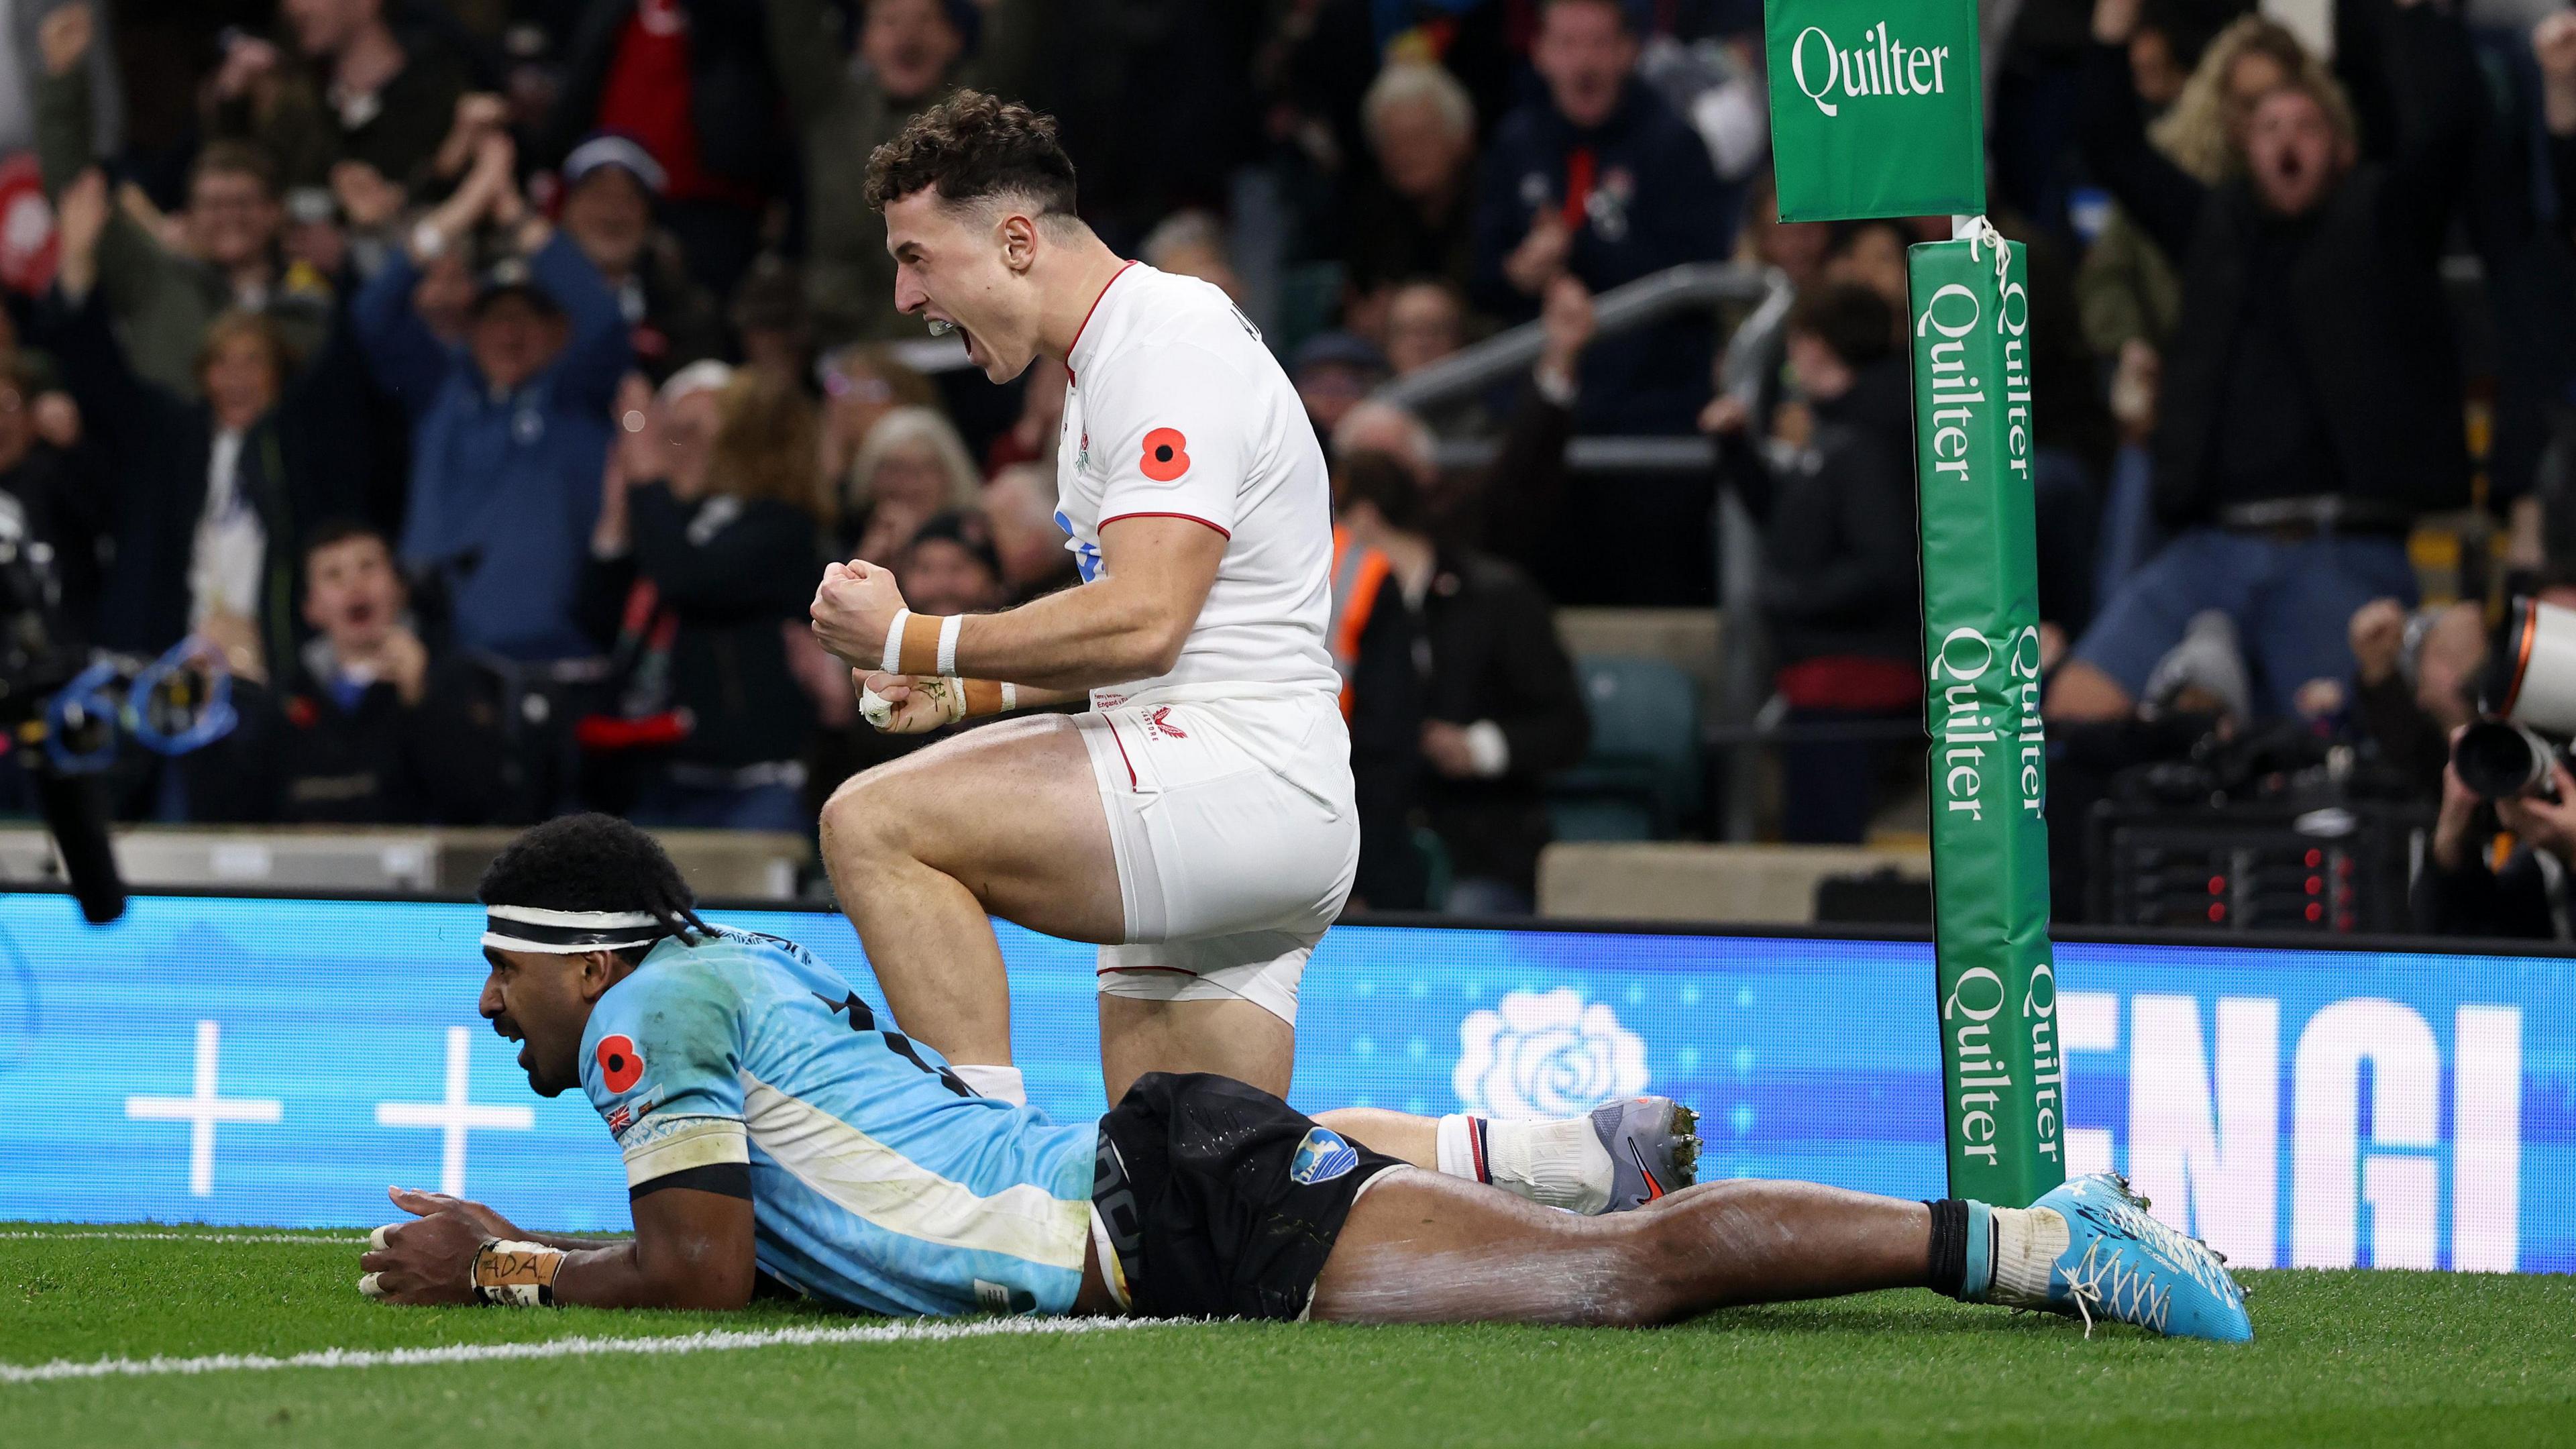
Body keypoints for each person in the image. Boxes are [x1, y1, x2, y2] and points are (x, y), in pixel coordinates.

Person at [352, 812, 2250, 1349]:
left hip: (1160, 1212)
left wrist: (503, 1265)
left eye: (504, 963)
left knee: (1622, 1279)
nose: (494, 1005)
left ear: (587, 949)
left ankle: (2032, 1241)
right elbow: (766, 1246)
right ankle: (1560, 1150)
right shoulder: (722, 972)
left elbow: (695, 1271)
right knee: (1604, 1249)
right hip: (1154, 1181)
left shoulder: (637, 1019)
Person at [2053, 0, 2475, 723]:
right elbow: (2110, 142)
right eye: (2268, 127)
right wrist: (2113, 27)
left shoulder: (2383, 226)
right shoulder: (2216, 230)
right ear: (2242, 146)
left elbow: (2448, 132)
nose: (2288, 141)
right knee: (2077, 703)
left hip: (2339, 550)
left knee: (2333, 732)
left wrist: (2411, 17)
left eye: (2308, 127)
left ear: (2341, 147)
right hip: (2215, 547)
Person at [41, 169, 370, 682]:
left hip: (276, 669)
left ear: (279, 374)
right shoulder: (171, 437)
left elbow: (346, 368)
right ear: (202, 376)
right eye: (222, 363)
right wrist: (78, 265)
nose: (235, 378)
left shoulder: (301, 444)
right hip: (171, 669)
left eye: (252, 362)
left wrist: (350, 266)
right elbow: (100, 374)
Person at [352, 133, 631, 664]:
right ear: (471, 329)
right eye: (496, 318)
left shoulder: (576, 396)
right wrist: (466, 206)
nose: (509, 334)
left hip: (550, 655)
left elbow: (602, 325)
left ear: (556, 332)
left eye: (528, 319)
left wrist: (511, 213)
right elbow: (373, 315)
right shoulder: (440, 386)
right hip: (436, 656)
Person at [1706, 282, 1920, 845]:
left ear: (1815, 346)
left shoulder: (1866, 438)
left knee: (1824, 854)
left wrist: (1789, 598)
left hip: (1853, 680)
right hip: (1825, 676)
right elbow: (1787, 523)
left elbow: (1887, 563)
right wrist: (1737, 450)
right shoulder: (1836, 434)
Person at [34, 5, 334, 400]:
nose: (229, 218)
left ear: (276, 212)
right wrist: (63, 81)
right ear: (189, 214)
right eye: (212, 205)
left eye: (243, 203)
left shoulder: (310, 311)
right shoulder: (153, 279)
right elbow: (76, 191)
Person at [1334, 451, 1588, 914]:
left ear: (1365, 520)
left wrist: (1479, 748)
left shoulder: (1496, 596)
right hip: (1371, 842)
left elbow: (1568, 727)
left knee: (1465, 913)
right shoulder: (1338, 609)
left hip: (1480, 845)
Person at [1469, 0, 1733, 435]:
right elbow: (1482, 278)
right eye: (1568, 44)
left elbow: (1702, 274)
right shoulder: (1515, 143)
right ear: (1540, 53)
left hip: (1655, 408)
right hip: (1539, 407)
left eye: (1599, 43)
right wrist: (1521, 274)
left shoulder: (1673, 145)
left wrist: (1584, 262)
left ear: (1630, 51)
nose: (1584, 62)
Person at [582, 366, 822, 833]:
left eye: (702, 432)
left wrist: (647, 483)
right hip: (658, 779)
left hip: (754, 784)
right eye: (674, 434)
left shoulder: (777, 521)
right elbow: (597, 623)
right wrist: (617, 513)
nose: (690, 448)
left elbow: (691, 579)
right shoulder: (662, 528)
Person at [188, 521, 508, 824]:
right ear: (311, 608)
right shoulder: (286, 697)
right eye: (333, 575)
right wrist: (211, 707)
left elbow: (477, 803)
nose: (354, 585)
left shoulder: (451, 676)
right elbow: (226, 818)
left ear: (400, 589)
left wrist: (419, 696)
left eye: (368, 566)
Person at [763, 0, 1036, 345]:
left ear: (955, 38)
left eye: (925, 20)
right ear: (862, 40)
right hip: (849, 346)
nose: (909, 38)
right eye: (890, 23)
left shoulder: (983, 107)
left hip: (962, 348)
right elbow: (795, 25)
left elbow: (1021, 27)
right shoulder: (830, 107)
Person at [203, 0, 474, 196]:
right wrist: (233, 106)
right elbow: (242, 186)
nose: (294, 8)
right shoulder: (301, 105)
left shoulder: (441, 92)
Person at [555, 131, 727, 382]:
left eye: (628, 198)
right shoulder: (526, 296)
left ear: (649, 218)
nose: (612, 213)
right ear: (566, 209)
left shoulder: (685, 308)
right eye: (599, 195)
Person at [1342, 61, 1481, 309]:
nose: (1406, 154)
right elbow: (1357, 297)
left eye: (1419, 138)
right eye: (1394, 142)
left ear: (1460, 138)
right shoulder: (1371, 208)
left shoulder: (1491, 197)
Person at [835, 404, 983, 566]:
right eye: (893, 469)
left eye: (920, 470)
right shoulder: (844, 530)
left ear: (949, 475)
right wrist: (866, 563)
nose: (906, 484)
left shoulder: (977, 537)